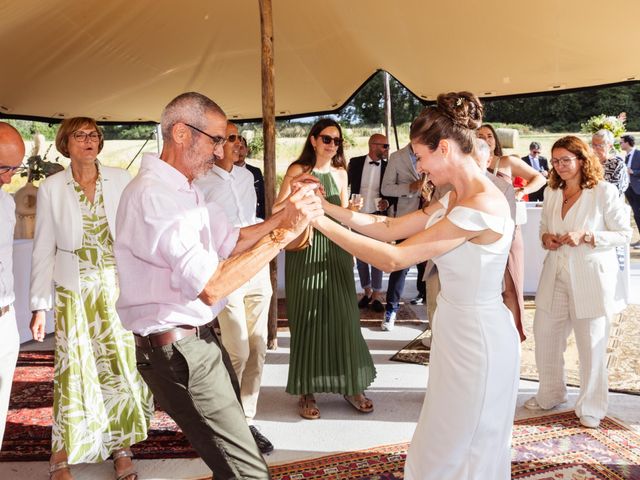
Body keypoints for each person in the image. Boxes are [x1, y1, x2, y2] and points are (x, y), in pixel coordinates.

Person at [309, 92, 519, 479]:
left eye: (420, 157)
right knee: (439, 437)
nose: (419, 168)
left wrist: (319, 224)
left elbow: (395, 257)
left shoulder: (482, 205)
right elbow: (389, 227)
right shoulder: (455, 197)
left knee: (463, 443)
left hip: (480, 339)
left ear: (444, 148)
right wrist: (324, 208)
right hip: (455, 331)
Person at [114, 92, 321, 479]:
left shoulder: (183, 189)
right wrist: (281, 237)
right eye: (215, 139)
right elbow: (211, 286)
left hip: (195, 342)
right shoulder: (156, 197)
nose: (221, 149)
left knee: (238, 457)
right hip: (180, 350)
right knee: (247, 472)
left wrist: (283, 216)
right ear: (180, 133)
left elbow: (233, 240)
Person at [29, 117, 152, 480]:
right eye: (80, 135)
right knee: (74, 370)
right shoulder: (51, 187)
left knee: (119, 366)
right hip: (73, 290)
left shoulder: (120, 178)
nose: (89, 140)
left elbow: (138, 235)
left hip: (116, 286)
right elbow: (42, 249)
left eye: (94, 134)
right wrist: (39, 304)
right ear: (65, 143)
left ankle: (121, 446)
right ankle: (61, 452)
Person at [524, 135, 631, 428]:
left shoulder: (603, 192)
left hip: (591, 279)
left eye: (566, 160)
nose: (559, 167)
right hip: (554, 275)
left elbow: (627, 234)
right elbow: (544, 228)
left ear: (583, 160)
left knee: (591, 344)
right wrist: (546, 238)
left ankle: (592, 406)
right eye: (555, 161)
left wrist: (588, 236)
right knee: (545, 334)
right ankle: (551, 393)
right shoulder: (551, 192)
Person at [274, 118, 376, 419]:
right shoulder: (297, 171)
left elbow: (343, 214)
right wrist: (297, 192)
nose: (333, 145)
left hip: (337, 250)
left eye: (337, 141)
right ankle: (306, 391)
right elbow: (277, 210)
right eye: (328, 139)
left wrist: (351, 212)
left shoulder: (341, 174)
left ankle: (351, 385)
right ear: (314, 140)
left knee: (344, 317)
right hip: (305, 250)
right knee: (307, 318)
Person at [195, 122, 274, 454]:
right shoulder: (201, 181)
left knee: (258, 348)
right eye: (231, 138)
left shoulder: (248, 177)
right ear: (216, 145)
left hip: (256, 265)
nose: (239, 143)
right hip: (226, 268)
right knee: (237, 348)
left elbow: (254, 219)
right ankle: (224, 420)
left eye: (241, 137)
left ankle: (246, 420)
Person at [478, 124, 544, 342]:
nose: (486, 139)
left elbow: (540, 178)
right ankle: (491, 334)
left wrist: (523, 190)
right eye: (480, 136)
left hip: (509, 230)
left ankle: (515, 335)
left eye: (489, 136)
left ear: (496, 140)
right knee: (484, 288)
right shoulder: (470, 165)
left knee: (511, 283)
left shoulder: (507, 162)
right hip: (479, 232)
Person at [380, 143, 426, 329]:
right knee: (401, 265)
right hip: (407, 218)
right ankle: (391, 310)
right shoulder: (397, 157)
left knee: (431, 268)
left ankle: (434, 313)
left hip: (433, 217)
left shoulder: (436, 152)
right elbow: (386, 189)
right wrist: (411, 186)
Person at [0, 123, 25, 449]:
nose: (8, 178)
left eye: (14, 170)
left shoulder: (7, 204)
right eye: (4, 168)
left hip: (5, 317)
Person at [347, 133, 391, 312]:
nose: (387, 150)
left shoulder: (388, 167)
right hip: (358, 216)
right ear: (373, 145)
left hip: (377, 216)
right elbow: (346, 186)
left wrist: (386, 202)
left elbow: (391, 192)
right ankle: (366, 291)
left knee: (377, 256)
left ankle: (377, 295)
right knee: (361, 256)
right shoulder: (355, 163)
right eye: (385, 146)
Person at [235, 136, 266, 220]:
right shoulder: (226, 172)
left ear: (247, 150)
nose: (239, 151)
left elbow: (262, 198)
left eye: (241, 147)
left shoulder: (255, 171)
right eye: (236, 147)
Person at [591, 129, 629, 196]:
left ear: (610, 146)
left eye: (599, 146)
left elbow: (616, 191)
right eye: (593, 145)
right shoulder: (589, 161)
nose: (594, 148)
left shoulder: (617, 165)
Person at [621, 134, 640, 248]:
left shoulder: (638, 154)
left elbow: (634, 171)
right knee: (636, 215)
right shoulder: (626, 156)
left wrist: (634, 172)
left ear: (628, 143)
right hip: (629, 190)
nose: (621, 144)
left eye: (622, 142)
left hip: (638, 189)